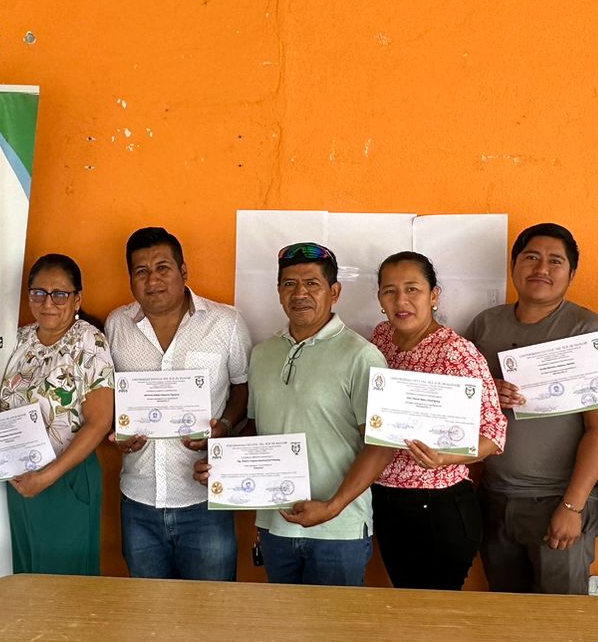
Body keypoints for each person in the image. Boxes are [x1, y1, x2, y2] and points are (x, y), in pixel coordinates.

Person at [466, 224, 598, 595]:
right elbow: (457, 400)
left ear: (571, 273)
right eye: (531, 257)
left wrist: (573, 506)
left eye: (555, 261)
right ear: (513, 265)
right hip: (496, 497)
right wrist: (486, 392)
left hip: (558, 500)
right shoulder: (486, 325)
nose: (541, 269)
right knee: (507, 609)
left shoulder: (587, 331)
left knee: (561, 617)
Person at [233, 242, 389, 587]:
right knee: (283, 620)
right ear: (278, 291)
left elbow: (380, 446)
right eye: (289, 284)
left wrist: (332, 506)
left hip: (339, 531)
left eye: (312, 284)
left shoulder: (361, 356)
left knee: (334, 623)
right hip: (275, 526)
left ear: (334, 292)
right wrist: (221, 465)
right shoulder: (262, 354)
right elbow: (258, 430)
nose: (299, 293)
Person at [105, 227, 252, 581]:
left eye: (163, 268)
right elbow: (108, 397)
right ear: (130, 278)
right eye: (141, 271)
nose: (152, 280)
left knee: (212, 607)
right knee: (149, 609)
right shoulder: (117, 325)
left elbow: (243, 388)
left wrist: (224, 427)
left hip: (205, 500)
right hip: (138, 501)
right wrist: (116, 433)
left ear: (183, 271)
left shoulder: (226, 323)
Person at [362, 253, 505, 590]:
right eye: (390, 291)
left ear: (434, 295)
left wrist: (444, 457)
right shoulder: (381, 338)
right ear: (380, 298)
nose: (401, 301)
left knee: (434, 611)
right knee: (405, 602)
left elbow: (494, 434)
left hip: (438, 506)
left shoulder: (456, 353)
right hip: (386, 499)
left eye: (412, 289)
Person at [0, 253, 116, 575]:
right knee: (27, 577)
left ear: (77, 298)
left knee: (63, 589)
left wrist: (47, 477)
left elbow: (99, 422)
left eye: (60, 294)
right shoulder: (19, 340)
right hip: (21, 480)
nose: (48, 302)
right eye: (39, 292)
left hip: (66, 477)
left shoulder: (89, 341)